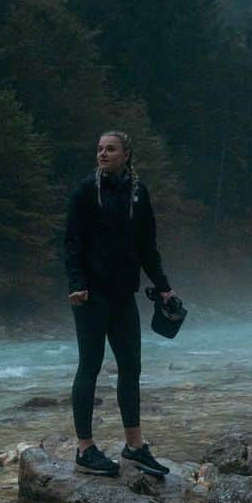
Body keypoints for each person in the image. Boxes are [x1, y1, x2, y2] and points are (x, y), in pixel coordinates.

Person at [64, 130, 173, 477]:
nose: (102, 154)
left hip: (124, 296)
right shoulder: (85, 191)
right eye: (99, 149)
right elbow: (72, 243)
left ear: (126, 155)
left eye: (110, 149)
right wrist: (77, 284)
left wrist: (164, 287)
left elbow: (148, 247)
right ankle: (84, 449)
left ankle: (135, 447)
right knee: (89, 368)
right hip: (91, 296)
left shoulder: (138, 193)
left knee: (131, 370)